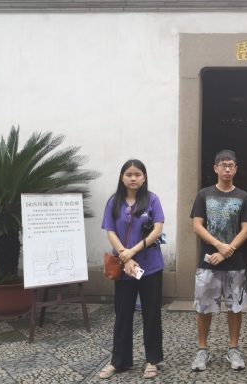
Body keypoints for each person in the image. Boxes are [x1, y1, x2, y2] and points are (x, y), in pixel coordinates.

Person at [98, 159, 165, 380]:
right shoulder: (114, 202)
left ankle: (152, 360)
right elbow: (110, 232)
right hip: (124, 269)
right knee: (122, 315)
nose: (133, 178)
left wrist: (131, 252)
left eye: (137, 174)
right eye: (129, 174)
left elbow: (157, 231)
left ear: (144, 177)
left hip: (150, 266)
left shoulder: (152, 200)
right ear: (122, 177)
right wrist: (125, 259)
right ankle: (119, 361)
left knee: (151, 314)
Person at [189, 150, 247, 372]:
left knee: (235, 307)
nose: (227, 169)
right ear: (215, 168)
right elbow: (197, 226)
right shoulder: (204, 194)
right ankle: (202, 349)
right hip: (208, 261)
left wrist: (227, 251)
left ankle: (233, 348)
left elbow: (246, 230)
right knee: (203, 307)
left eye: (231, 165)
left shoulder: (244, 197)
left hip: (235, 263)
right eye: (223, 165)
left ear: (236, 169)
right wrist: (219, 246)